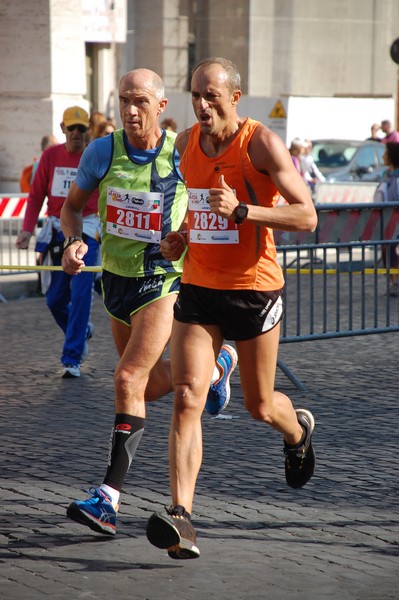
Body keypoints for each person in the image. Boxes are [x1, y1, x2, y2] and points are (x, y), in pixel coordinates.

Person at [146, 57, 318, 560]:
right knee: (186, 396)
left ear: (234, 97)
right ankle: (181, 517)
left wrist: (244, 211)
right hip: (199, 285)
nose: (201, 105)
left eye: (211, 96)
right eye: (195, 95)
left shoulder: (259, 142)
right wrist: (180, 238)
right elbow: (195, 205)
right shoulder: (185, 145)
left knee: (259, 405)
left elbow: (306, 215)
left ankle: (298, 430)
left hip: (255, 289)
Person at [60, 68, 237, 536]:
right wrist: (74, 241)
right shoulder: (103, 151)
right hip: (115, 283)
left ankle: (107, 499)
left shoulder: (181, 150)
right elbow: (72, 207)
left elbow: (210, 198)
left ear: (161, 106)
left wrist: (188, 237)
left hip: (162, 280)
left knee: (126, 377)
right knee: (142, 387)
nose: (130, 110)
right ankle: (216, 369)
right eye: (123, 101)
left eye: (140, 101)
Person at [16, 106, 100, 378]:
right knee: (53, 299)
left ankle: (72, 357)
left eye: (82, 129)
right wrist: (27, 230)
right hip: (57, 232)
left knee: (80, 293)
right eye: (72, 128)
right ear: (63, 129)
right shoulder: (50, 156)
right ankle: (82, 331)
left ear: (88, 131)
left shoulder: (95, 155)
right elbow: (35, 195)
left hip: (88, 231)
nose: (76, 133)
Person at [373, 142, 399, 297]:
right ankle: (393, 282)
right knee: (387, 253)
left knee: (394, 252)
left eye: (386, 153)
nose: (383, 155)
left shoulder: (396, 178)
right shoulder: (386, 176)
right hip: (386, 222)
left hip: (395, 222)